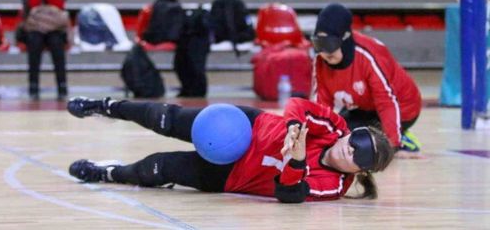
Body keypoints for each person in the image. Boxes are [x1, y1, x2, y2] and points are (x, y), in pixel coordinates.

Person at [66, 96, 394, 203]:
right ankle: (107, 107)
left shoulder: (336, 185)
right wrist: (294, 129)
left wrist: (295, 160)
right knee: (166, 118)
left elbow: (289, 194)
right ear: (350, 133)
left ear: (360, 172)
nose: (351, 150)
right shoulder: (334, 126)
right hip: (243, 127)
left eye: (359, 157)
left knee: (159, 168)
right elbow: (297, 104)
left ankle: (107, 172)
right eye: (355, 142)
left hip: (232, 174)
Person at [311, 3, 423, 158]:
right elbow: (322, 104)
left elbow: (386, 102)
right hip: (366, 106)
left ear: (344, 38)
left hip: (403, 106)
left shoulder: (369, 56)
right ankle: (386, 133)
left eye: (330, 44)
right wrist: (317, 141)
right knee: (338, 135)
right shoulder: (320, 61)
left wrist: (392, 145)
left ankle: (402, 139)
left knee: (361, 144)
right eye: (319, 44)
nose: (325, 52)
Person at [18, 0, 69, 100]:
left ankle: (62, 86)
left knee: (56, 43)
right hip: (34, 24)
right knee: (34, 42)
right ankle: (33, 86)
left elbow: (59, 3)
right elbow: (30, 3)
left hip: (55, 25)